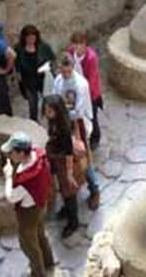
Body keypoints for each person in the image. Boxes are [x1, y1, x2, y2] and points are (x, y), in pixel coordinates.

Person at [2, 132, 55, 277]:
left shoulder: (27, 178)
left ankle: (38, 273)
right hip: (41, 203)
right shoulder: (39, 157)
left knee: (29, 244)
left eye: (11, 152)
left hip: (29, 213)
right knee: (40, 234)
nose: (9, 155)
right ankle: (48, 262)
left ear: (21, 153)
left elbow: (11, 197)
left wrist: (8, 176)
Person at [52, 54, 101, 210]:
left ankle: (94, 189)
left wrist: (62, 114)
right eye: (63, 71)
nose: (65, 75)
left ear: (73, 68)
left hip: (78, 124)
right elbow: (55, 99)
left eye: (68, 72)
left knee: (82, 158)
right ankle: (71, 193)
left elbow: (79, 110)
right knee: (66, 159)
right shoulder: (58, 80)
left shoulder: (81, 84)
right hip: (63, 123)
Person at [42, 94, 86, 238]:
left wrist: (69, 173)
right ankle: (67, 209)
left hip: (63, 161)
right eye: (45, 110)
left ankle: (73, 221)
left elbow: (68, 152)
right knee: (63, 188)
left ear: (57, 111)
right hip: (56, 157)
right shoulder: (54, 121)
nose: (46, 114)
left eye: (49, 111)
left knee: (68, 190)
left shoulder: (64, 127)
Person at [67, 31, 103, 150]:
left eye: (80, 44)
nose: (77, 47)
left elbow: (92, 78)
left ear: (84, 44)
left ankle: (95, 138)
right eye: (75, 44)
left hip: (89, 92)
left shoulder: (91, 57)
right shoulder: (70, 52)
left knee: (91, 116)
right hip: (75, 89)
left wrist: (84, 95)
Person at [16, 25, 55, 122]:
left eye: (33, 37)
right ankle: (34, 123)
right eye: (28, 38)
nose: (31, 40)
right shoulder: (19, 49)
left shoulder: (43, 47)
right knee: (32, 105)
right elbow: (17, 64)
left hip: (42, 79)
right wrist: (18, 76)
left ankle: (51, 121)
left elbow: (52, 59)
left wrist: (47, 67)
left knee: (48, 102)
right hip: (28, 81)